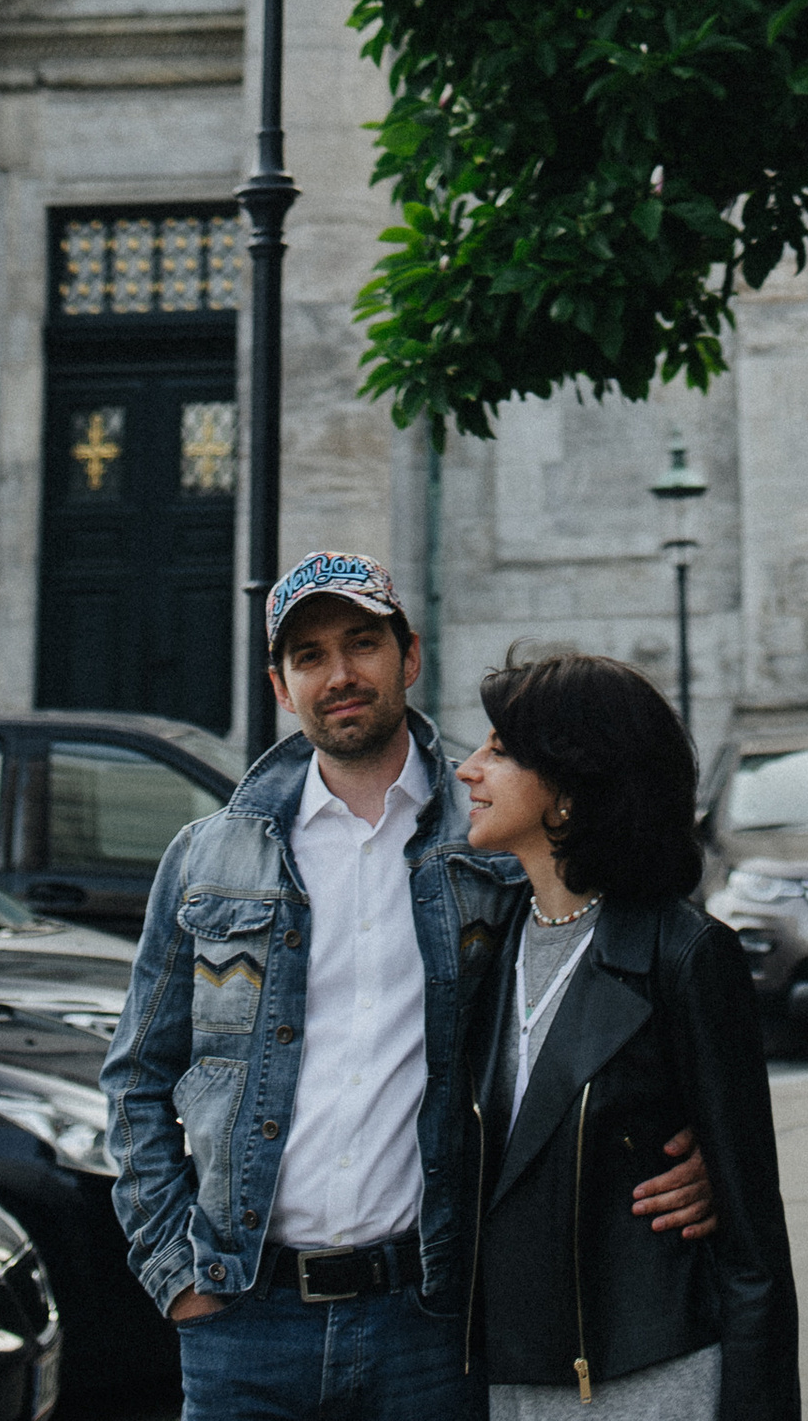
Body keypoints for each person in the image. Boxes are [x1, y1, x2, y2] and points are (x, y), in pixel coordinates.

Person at [102, 551, 717, 1418]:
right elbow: (136, 1077)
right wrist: (176, 1274)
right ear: (282, 686)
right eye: (309, 656)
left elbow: (618, 990)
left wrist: (689, 1142)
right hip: (244, 1321)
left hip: (429, 1318)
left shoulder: (493, 839)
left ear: (410, 656)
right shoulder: (210, 858)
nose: (340, 674)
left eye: (362, 643)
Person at [459, 650, 799, 1421]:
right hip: (506, 1375)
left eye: (499, 751)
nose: (467, 768)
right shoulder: (480, 940)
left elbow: (753, 1239)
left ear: (571, 794)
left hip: (648, 1374)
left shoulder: (682, 954)